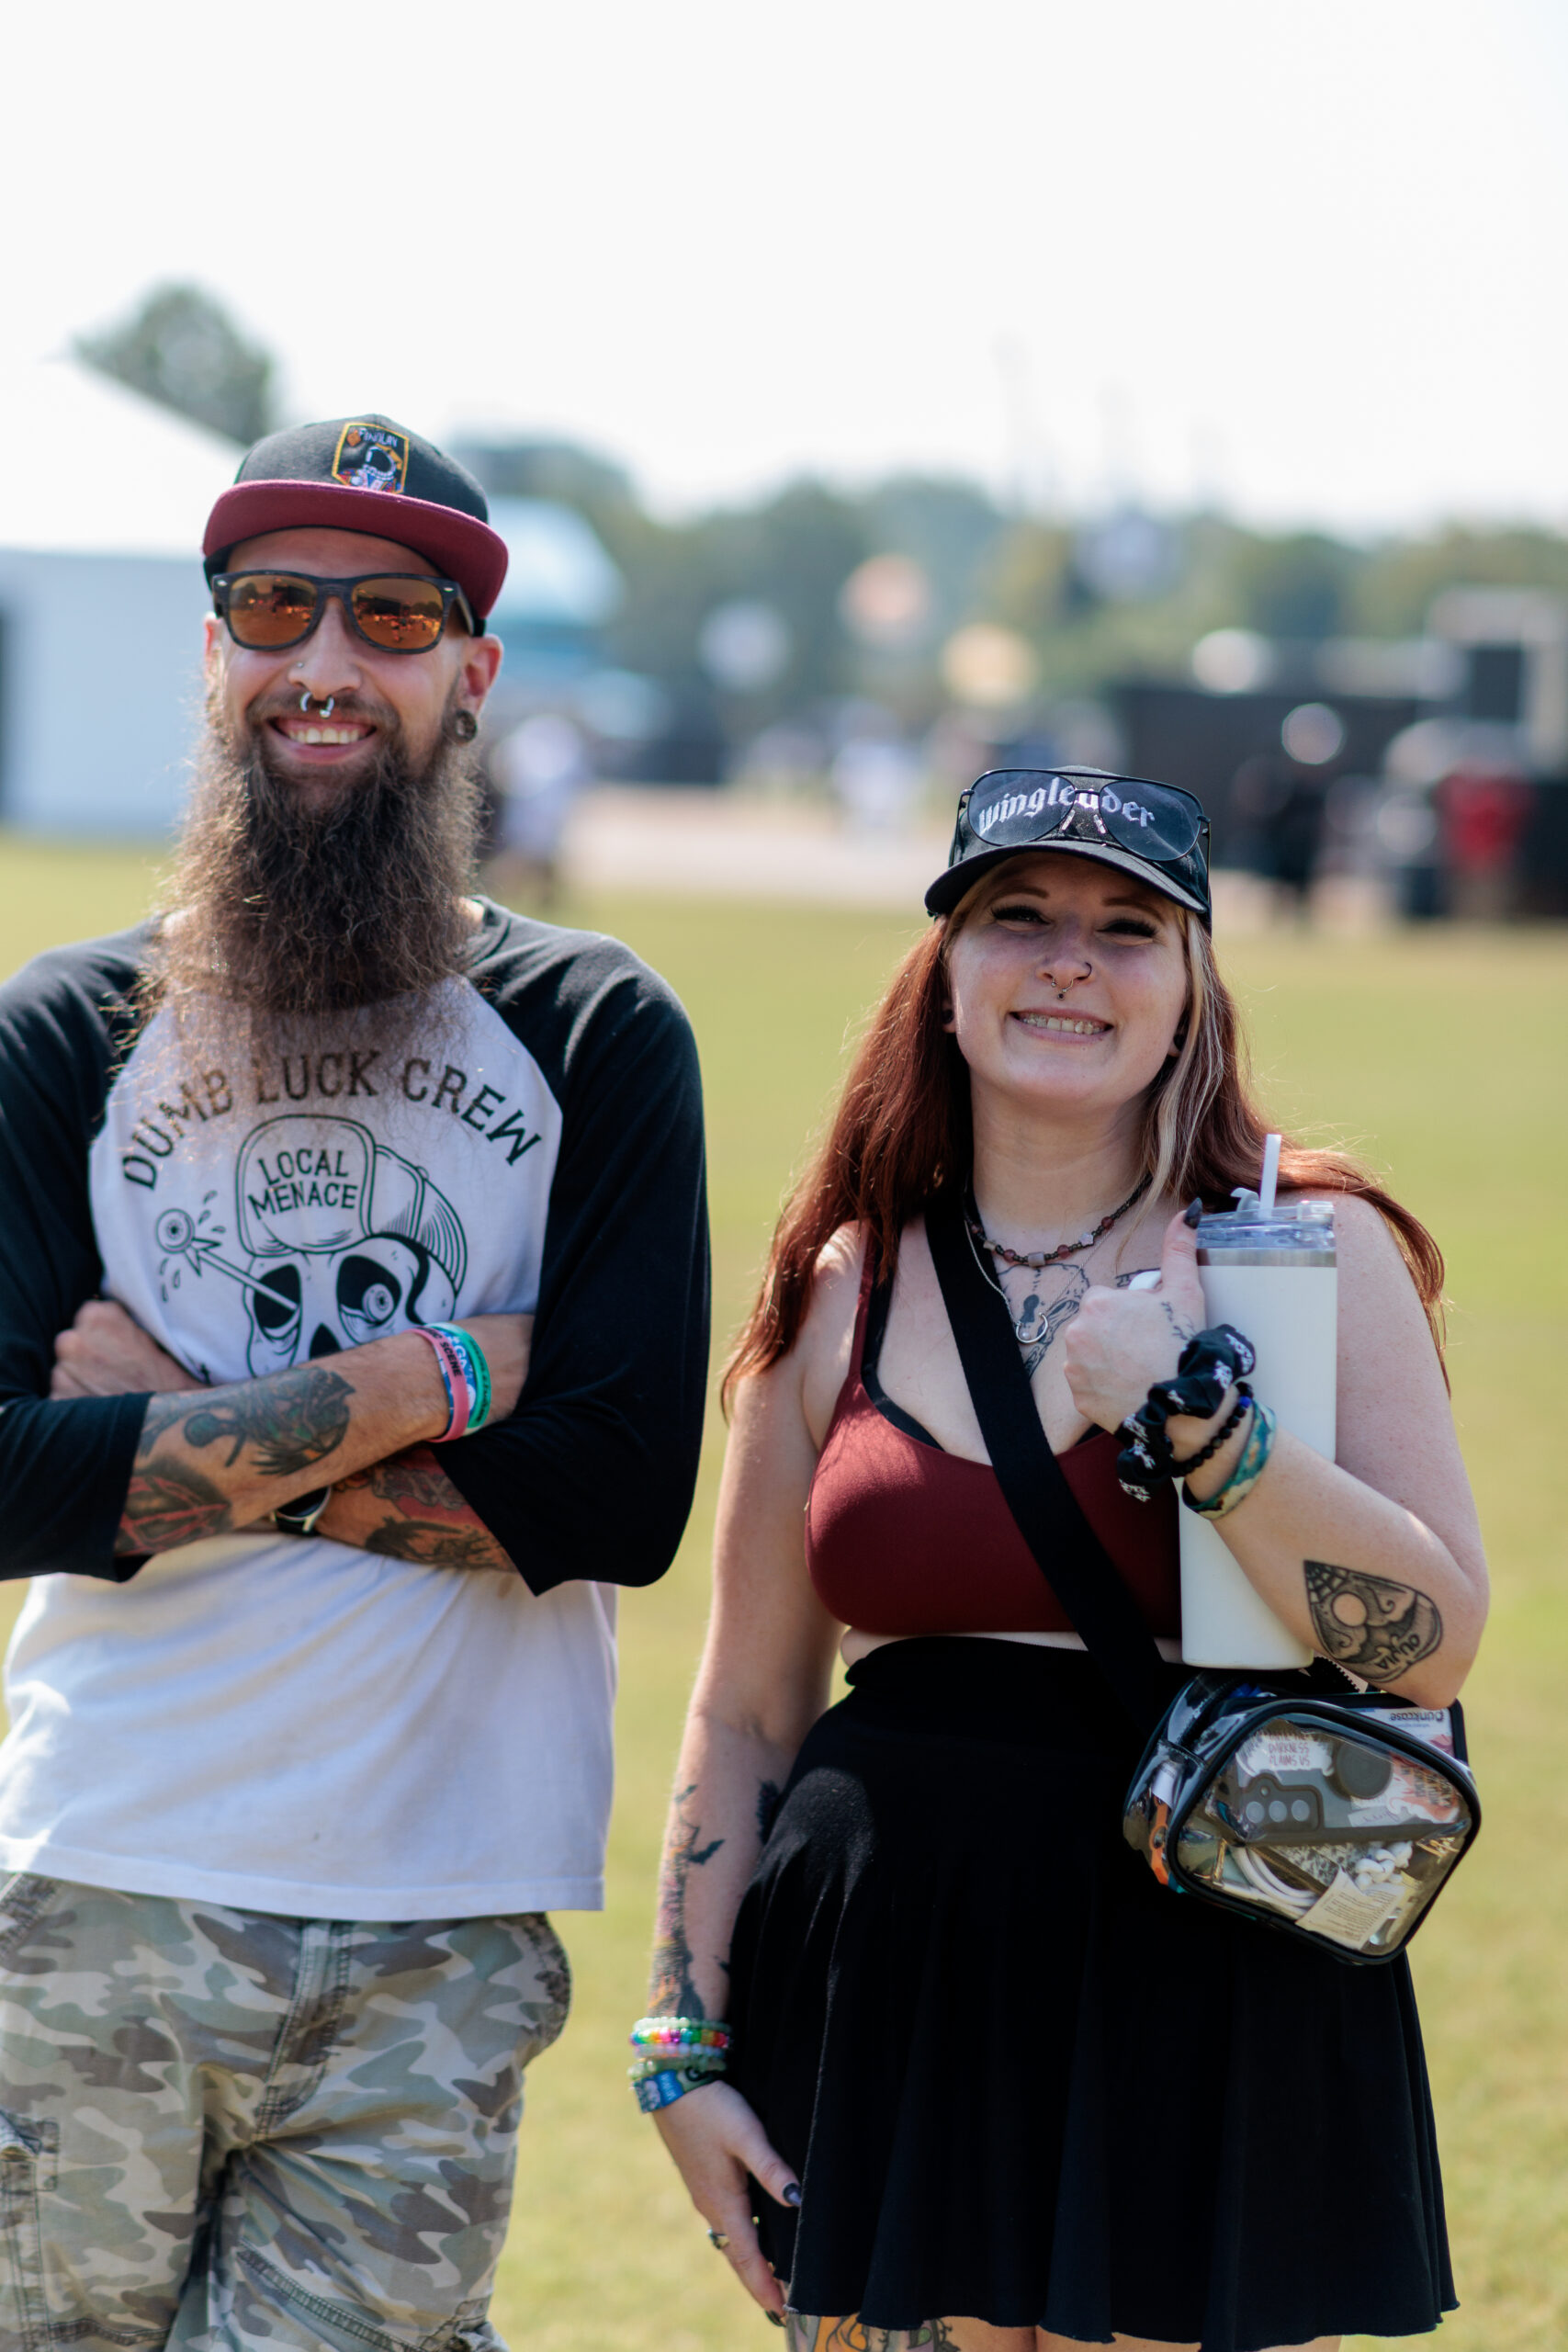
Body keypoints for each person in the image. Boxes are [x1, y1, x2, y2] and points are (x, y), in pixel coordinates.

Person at [0, 414, 709, 2350]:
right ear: (214, 652)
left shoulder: (595, 1028)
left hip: (440, 1908)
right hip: (97, 1882)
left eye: (391, 616)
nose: (326, 661)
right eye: (274, 606)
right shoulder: (69, 1027)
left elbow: (621, 1492)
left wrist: (170, 1427)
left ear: (473, 677)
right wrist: (428, 1378)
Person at [642, 769, 1487, 2351]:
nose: (1069, 963)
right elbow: (747, 1703)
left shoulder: (1303, 1249)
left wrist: (1195, 1426)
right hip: (890, 1989)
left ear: (1192, 993)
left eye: (1128, 929)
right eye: (1015, 918)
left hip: (1197, 1976)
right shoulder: (837, 1281)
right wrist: (679, 2047)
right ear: (944, 978)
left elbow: (1433, 1642)